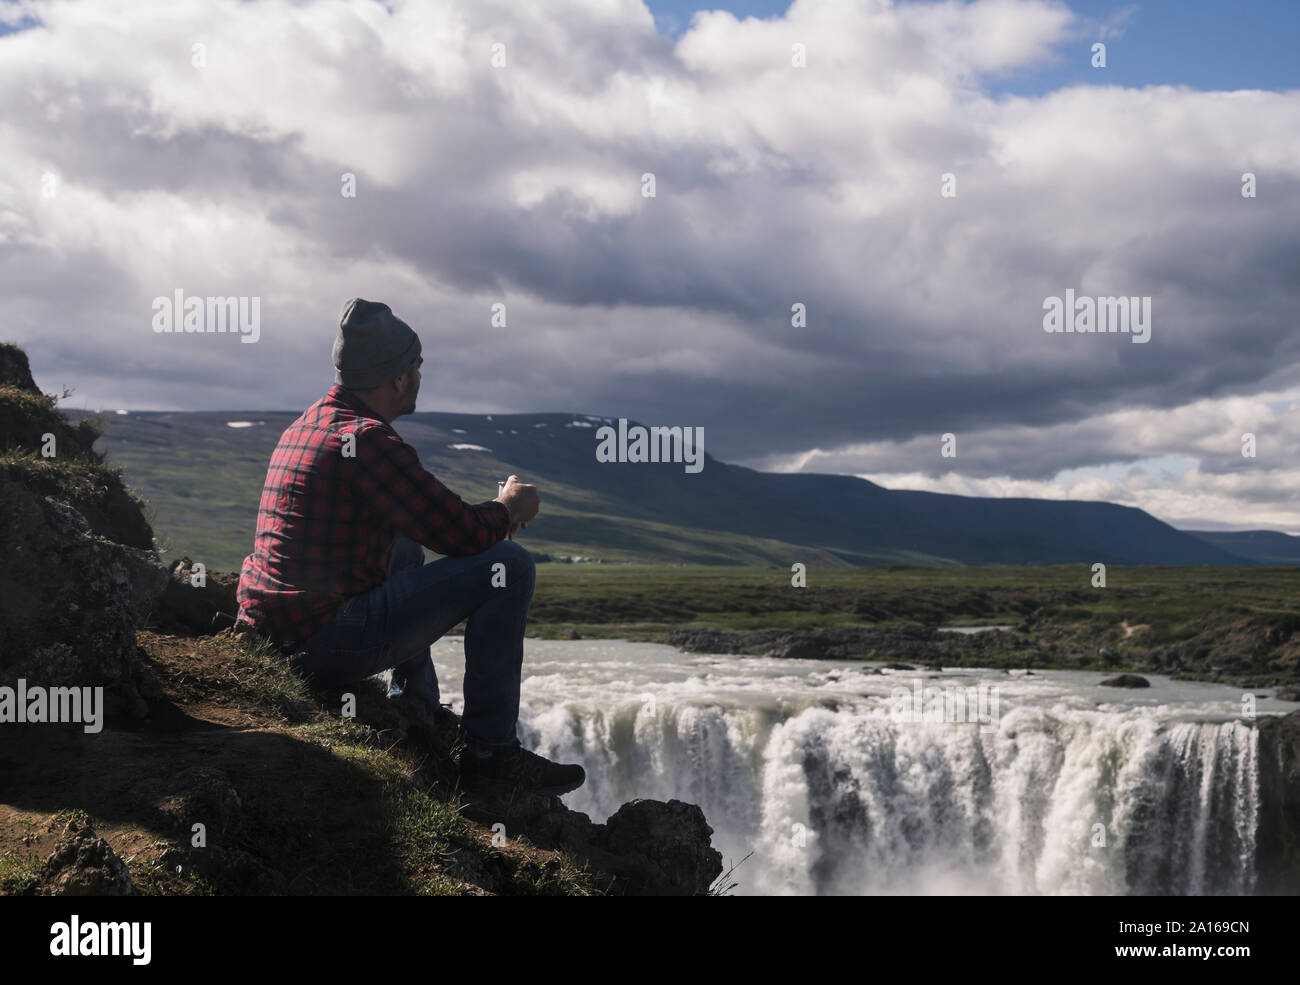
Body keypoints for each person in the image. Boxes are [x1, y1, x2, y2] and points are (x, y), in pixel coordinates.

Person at [235, 297, 584, 796]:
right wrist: (507, 508)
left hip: (273, 631)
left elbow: (428, 522)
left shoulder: (308, 423)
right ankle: (490, 755)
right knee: (511, 566)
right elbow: (457, 531)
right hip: (319, 642)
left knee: (403, 550)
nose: (421, 377)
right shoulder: (367, 440)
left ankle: (418, 708)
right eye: (417, 367)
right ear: (398, 377)